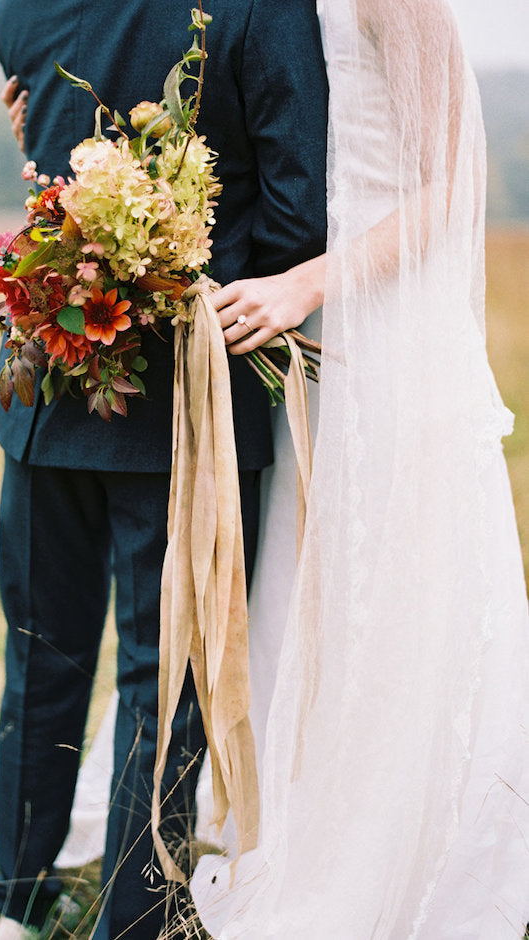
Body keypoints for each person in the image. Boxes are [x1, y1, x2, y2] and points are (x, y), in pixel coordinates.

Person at [0, 2, 329, 939]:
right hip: (184, 402)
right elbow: (298, 216)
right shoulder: (261, 9)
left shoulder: (21, 10)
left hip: (45, 379)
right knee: (165, 678)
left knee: (39, 653)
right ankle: (134, 922)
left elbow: (37, 110)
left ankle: (13, 908)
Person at [186, 0, 529, 937]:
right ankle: (298, 826)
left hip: (388, 329)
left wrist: (307, 282)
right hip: (319, 334)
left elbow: (453, 183)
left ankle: (399, 850)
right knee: (312, 590)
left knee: (400, 591)